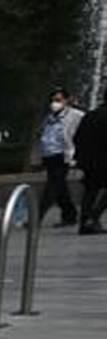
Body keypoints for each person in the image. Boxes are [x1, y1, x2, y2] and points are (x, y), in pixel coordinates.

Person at [28, 87, 84, 227]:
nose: (55, 103)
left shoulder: (76, 115)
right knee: (60, 187)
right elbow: (42, 135)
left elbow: (83, 133)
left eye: (58, 100)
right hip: (49, 155)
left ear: (67, 100)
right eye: (52, 100)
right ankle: (70, 214)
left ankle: (36, 217)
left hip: (63, 156)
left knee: (52, 186)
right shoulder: (49, 117)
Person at [76, 104, 106, 235]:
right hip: (104, 159)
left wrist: (80, 158)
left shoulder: (90, 115)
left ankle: (84, 224)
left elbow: (77, 137)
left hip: (89, 161)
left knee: (90, 191)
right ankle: (93, 218)